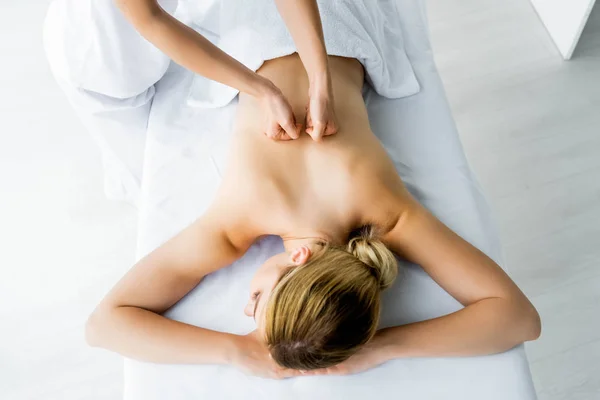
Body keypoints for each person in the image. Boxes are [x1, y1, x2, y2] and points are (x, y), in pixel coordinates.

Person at [85, 0, 541, 379]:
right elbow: (106, 325)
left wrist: (380, 343)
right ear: (299, 259)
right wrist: (236, 351)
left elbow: (519, 318)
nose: (246, 306)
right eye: (258, 300)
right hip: (280, 24)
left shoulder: (388, 212)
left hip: (337, 24)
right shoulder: (239, 218)